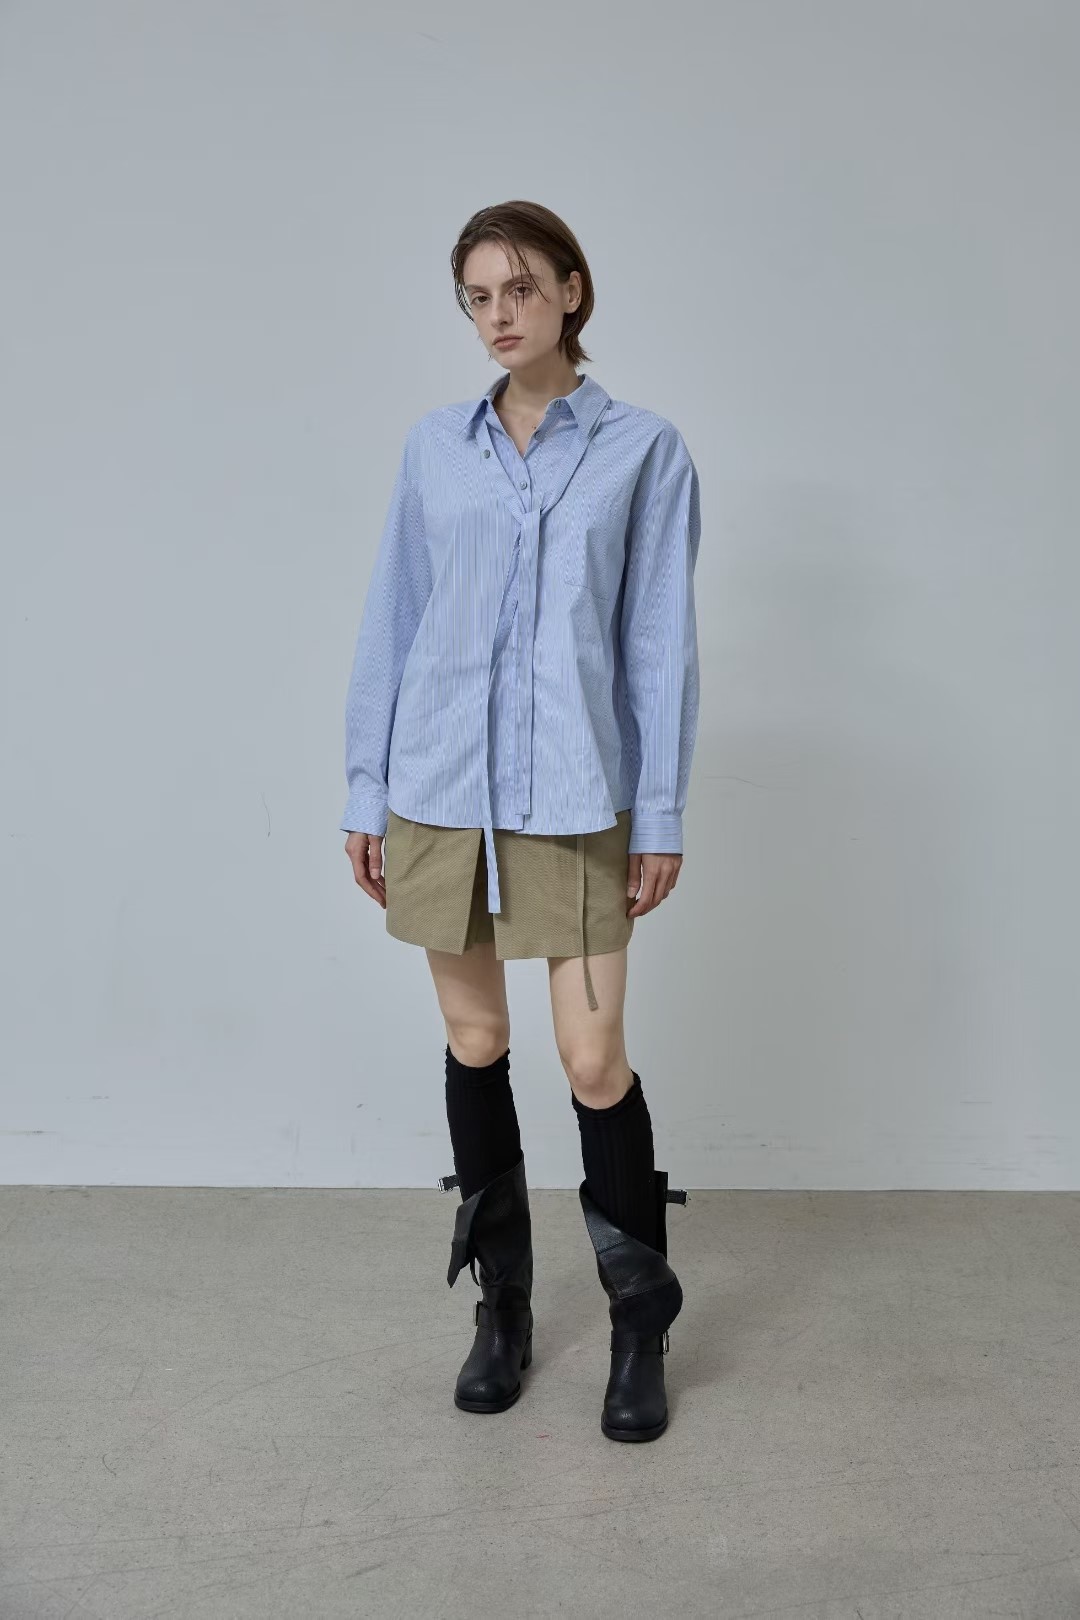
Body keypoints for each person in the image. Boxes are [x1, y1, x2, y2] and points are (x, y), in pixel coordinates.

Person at [341, 200, 700, 1443]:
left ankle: (640, 1320)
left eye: (520, 289)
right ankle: (502, 1310)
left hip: (576, 800)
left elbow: (657, 646)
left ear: (571, 290)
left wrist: (659, 814)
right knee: (477, 1042)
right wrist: (364, 788)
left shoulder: (644, 451)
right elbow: (395, 619)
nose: (499, 315)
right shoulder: (435, 451)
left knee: (593, 1062)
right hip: (438, 792)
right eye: (478, 297)